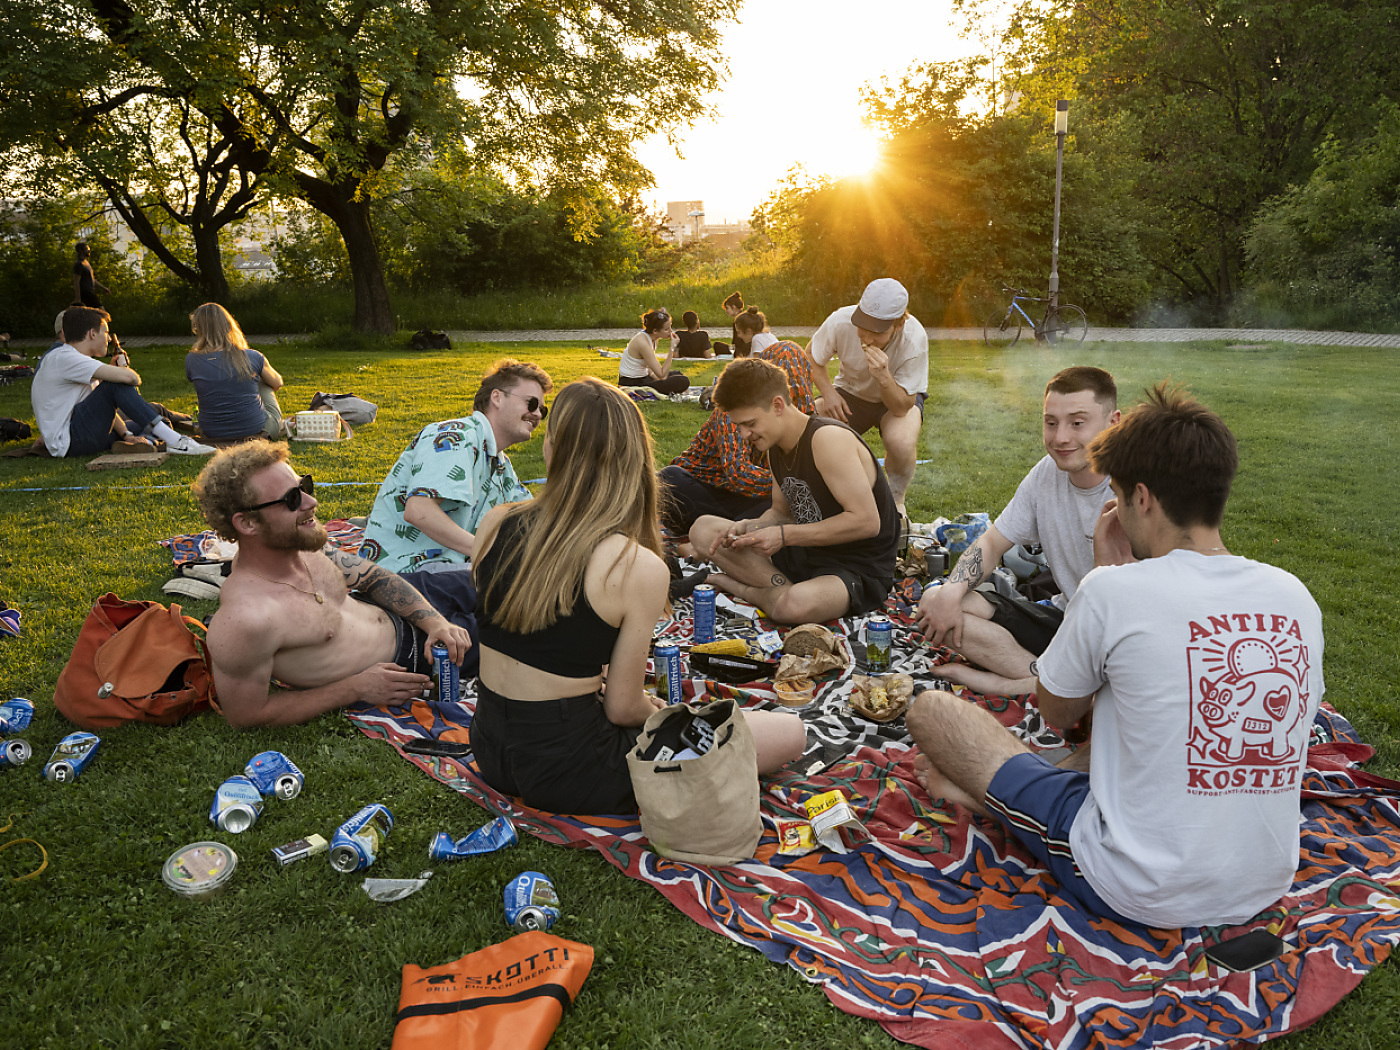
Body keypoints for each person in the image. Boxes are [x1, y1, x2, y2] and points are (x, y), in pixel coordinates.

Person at [906, 384, 1324, 929]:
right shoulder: (1295, 594)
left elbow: (1057, 714)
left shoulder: (1112, 591)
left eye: (1121, 498)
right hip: (1265, 878)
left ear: (1142, 499)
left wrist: (1105, 575)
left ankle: (983, 795)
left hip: (1136, 885)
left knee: (931, 713)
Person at [469, 378, 805, 814]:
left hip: (490, 746)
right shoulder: (636, 565)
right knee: (788, 732)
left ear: (552, 449)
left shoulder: (495, 522)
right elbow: (623, 708)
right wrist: (660, 711)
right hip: (572, 770)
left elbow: (532, 642)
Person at [193, 441, 477, 727]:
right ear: (247, 523)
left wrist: (435, 622)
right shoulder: (245, 620)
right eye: (292, 499)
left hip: (411, 602)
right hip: (417, 654)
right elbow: (245, 715)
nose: (311, 503)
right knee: (519, 626)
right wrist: (355, 688)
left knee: (507, 577)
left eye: (305, 486)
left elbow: (373, 577)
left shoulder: (303, 546)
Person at [916, 367, 1122, 696]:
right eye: (1051, 422)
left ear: (1113, 423)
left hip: (1116, 639)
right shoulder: (1046, 473)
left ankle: (1028, 685)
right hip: (1064, 618)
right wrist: (951, 593)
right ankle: (1045, 684)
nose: (1060, 438)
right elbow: (993, 542)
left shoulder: (1134, 490)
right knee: (936, 599)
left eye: (1077, 423)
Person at [688, 358, 899, 624]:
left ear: (777, 405)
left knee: (795, 605)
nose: (744, 434)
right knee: (703, 529)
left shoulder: (827, 440)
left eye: (750, 423)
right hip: (806, 553)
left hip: (855, 568)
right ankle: (781, 590)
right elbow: (780, 512)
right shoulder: (776, 446)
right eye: (739, 426)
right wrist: (750, 527)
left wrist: (784, 536)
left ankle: (744, 588)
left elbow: (866, 523)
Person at [360, 359, 552, 574]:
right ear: (497, 397)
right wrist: (487, 553)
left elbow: (533, 522)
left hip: (447, 569)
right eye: (532, 404)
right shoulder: (457, 436)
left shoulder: (499, 463)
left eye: (542, 411)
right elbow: (419, 511)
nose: (537, 415)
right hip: (407, 572)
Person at [660, 309, 816, 534]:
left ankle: (734, 528)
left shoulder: (796, 416)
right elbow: (738, 473)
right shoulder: (736, 408)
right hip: (707, 487)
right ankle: (735, 528)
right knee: (670, 480)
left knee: (784, 507)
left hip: (753, 496)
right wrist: (790, 485)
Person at [807, 277, 928, 513]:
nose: (867, 338)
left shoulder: (914, 338)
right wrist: (829, 394)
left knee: (901, 441)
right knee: (808, 426)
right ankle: (820, 495)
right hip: (849, 392)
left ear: (899, 325)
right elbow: (811, 357)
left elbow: (902, 407)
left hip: (895, 397)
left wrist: (883, 376)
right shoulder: (841, 320)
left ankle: (896, 501)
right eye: (863, 327)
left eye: (878, 332)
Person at [30, 306, 214, 457]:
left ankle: (144, 442)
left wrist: (128, 435)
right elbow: (131, 378)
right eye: (106, 332)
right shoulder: (63, 358)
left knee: (160, 420)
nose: (109, 339)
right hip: (72, 441)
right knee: (115, 385)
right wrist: (118, 372)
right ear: (92, 334)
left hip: (81, 437)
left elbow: (104, 405)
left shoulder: (73, 360)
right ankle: (177, 442)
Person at [185, 303, 284, 442]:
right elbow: (278, 383)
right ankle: (276, 424)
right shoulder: (252, 356)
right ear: (228, 324)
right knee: (263, 380)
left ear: (198, 329)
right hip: (255, 430)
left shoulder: (192, 359)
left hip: (212, 432)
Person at [618, 308, 689, 395]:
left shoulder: (653, 338)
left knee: (678, 374)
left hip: (644, 376)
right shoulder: (643, 342)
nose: (670, 331)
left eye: (670, 327)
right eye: (666, 329)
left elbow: (650, 367)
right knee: (683, 381)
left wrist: (654, 377)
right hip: (632, 382)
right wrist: (672, 348)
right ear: (655, 331)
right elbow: (662, 375)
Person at [72, 242, 110, 309]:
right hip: (85, 294)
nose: (89, 251)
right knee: (101, 310)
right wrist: (78, 299)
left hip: (90, 292)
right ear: (81, 251)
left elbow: (92, 279)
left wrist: (103, 288)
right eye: (87, 249)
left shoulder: (87, 263)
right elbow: (76, 282)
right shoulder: (79, 264)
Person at [712, 291, 750, 357]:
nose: (726, 311)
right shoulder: (745, 318)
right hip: (744, 349)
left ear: (733, 307)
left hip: (741, 351)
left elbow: (736, 343)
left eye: (727, 308)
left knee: (717, 345)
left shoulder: (739, 321)